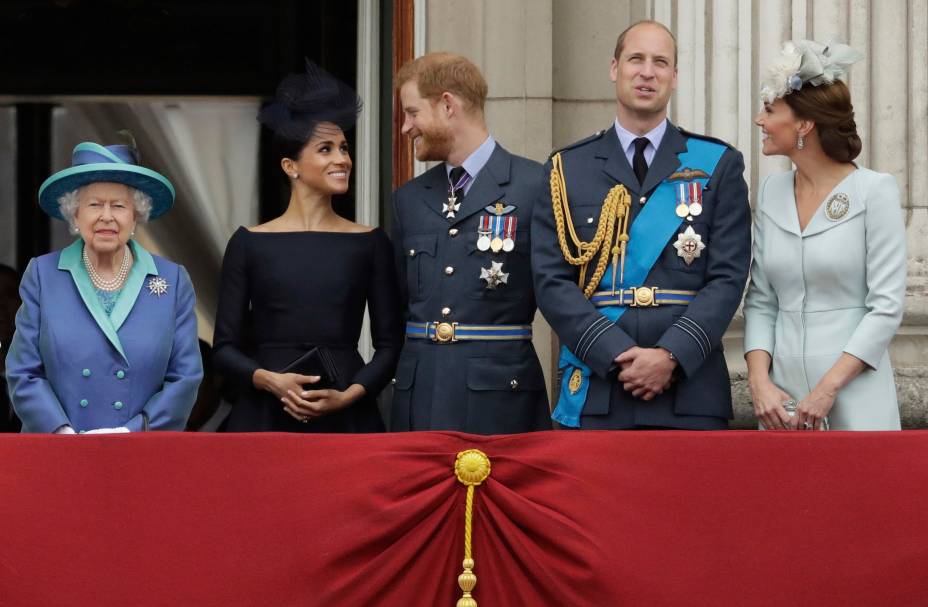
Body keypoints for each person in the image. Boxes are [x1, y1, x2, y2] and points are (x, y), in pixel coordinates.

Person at [532, 20, 751, 430]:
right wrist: (615, 354)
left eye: (660, 62)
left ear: (674, 77)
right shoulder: (567, 168)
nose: (647, 72)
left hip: (689, 389)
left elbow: (728, 277)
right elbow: (550, 280)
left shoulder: (717, 164)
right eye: (636, 59)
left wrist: (670, 356)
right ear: (615, 68)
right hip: (599, 387)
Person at [213, 61, 402, 432]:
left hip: (347, 414)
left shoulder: (370, 242)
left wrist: (350, 394)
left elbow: (391, 345)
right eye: (326, 149)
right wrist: (270, 380)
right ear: (291, 166)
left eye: (344, 148)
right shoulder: (248, 243)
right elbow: (224, 349)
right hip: (264, 415)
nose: (342, 159)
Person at [744, 40, 906, 431]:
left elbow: (886, 307)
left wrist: (827, 389)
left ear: (804, 124)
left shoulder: (874, 191)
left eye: (769, 109)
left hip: (854, 396)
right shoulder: (770, 192)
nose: (759, 120)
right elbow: (761, 300)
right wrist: (759, 381)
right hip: (782, 405)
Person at [391, 52, 550, 434]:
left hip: (500, 400)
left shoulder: (535, 185)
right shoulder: (408, 199)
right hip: (420, 396)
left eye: (412, 113)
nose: (406, 128)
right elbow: (398, 307)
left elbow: (561, 293)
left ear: (447, 105)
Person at [5, 141, 202, 433]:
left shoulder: (172, 281)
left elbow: (185, 378)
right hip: (59, 451)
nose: (106, 216)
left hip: (141, 450)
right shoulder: (43, 276)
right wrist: (61, 432)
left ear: (136, 215)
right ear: (75, 214)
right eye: (94, 204)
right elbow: (23, 371)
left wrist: (132, 431)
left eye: (119, 206)